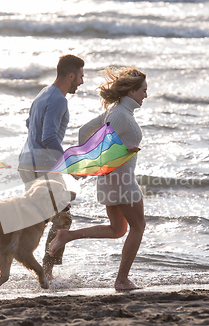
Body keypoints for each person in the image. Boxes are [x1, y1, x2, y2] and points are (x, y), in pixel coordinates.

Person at [49, 67, 147, 291]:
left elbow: (85, 132)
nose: (146, 95)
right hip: (122, 180)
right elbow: (103, 146)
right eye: (143, 90)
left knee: (118, 229)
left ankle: (67, 235)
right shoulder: (120, 114)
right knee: (138, 227)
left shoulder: (117, 110)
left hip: (108, 180)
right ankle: (122, 280)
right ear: (131, 92)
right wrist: (124, 150)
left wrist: (85, 163)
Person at [18, 54, 85, 280]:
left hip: (26, 161)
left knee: (39, 217)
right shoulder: (58, 99)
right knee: (62, 217)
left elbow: (29, 125)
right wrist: (69, 164)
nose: (82, 82)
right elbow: (48, 138)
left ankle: (21, 260)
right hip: (43, 164)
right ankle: (46, 272)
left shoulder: (42, 94)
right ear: (71, 75)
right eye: (81, 77)